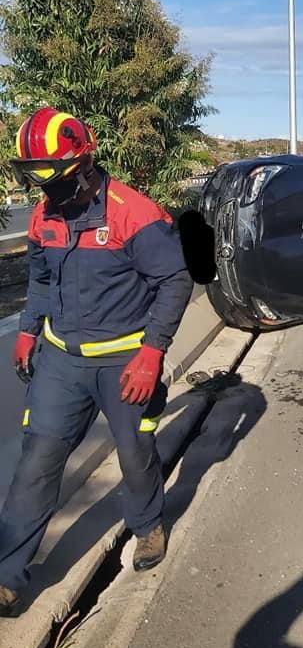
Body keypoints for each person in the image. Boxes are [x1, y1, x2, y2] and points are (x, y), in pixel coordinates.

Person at [0, 108, 194, 617]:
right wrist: (26, 331)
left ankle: (148, 525)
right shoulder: (45, 215)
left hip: (126, 361)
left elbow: (175, 281)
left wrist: (152, 353)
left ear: (83, 164)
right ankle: (6, 576)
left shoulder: (135, 214)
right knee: (36, 463)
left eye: (54, 177)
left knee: (134, 453)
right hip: (62, 362)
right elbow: (41, 280)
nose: (48, 194)